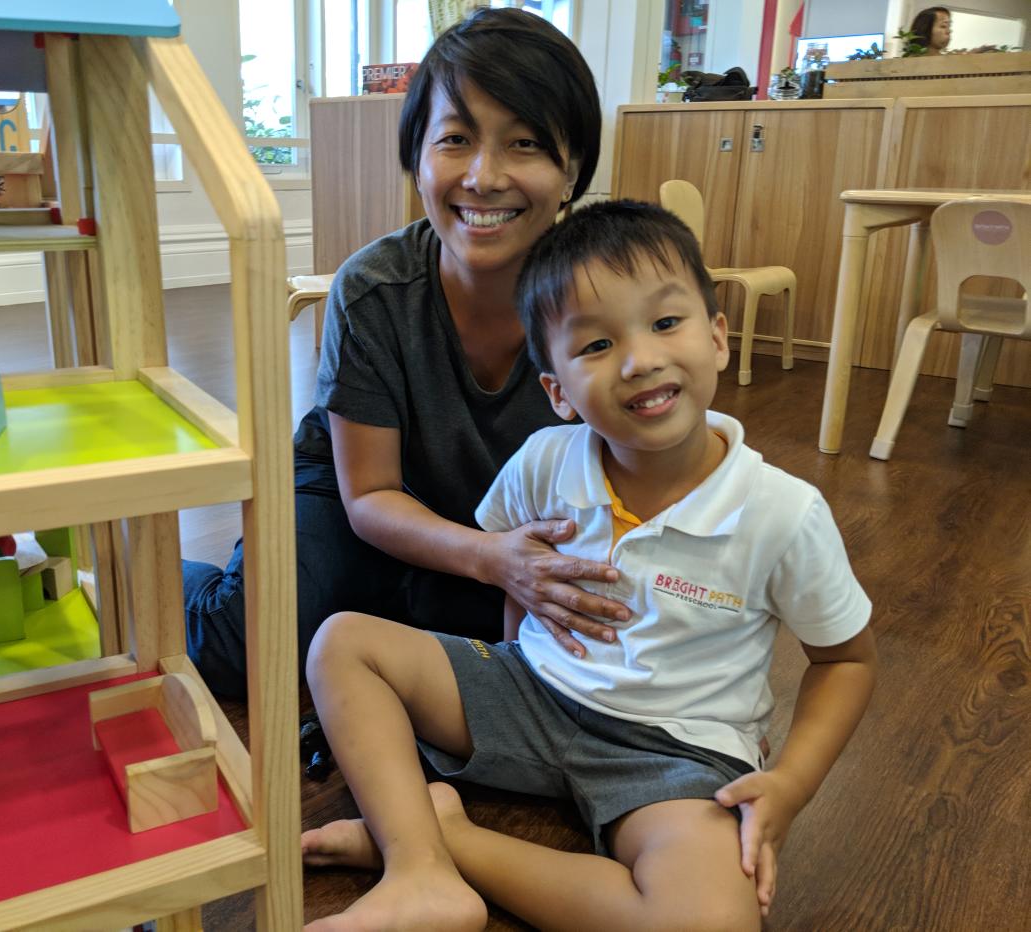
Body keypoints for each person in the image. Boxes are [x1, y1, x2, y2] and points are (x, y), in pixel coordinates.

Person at [301, 201, 878, 931]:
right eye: (597, 344)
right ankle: (417, 873)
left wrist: (791, 785)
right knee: (342, 643)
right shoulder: (545, 460)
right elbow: (519, 570)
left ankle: (440, 838)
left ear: (720, 337)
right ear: (558, 393)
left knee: (711, 923)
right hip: (532, 690)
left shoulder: (782, 512)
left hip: (676, 751)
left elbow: (848, 659)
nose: (640, 360)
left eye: (666, 323)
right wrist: (508, 667)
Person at [183, 8, 625, 698]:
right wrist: (489, 559)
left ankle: (405, 593)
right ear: (417, 159)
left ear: (572, 170)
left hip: (502, 524)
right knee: (249, 649)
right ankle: (150, 572)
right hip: (359, 491)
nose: (484, 176)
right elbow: (371, 494)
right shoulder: (375, 289)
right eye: (455, 139)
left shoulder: (605, 300)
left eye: (526, 144)